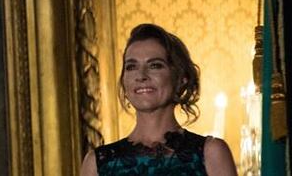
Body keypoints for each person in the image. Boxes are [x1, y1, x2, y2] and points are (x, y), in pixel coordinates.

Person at [81, 23, 237, 175]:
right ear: (124, 81)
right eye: (131, 66)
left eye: (155, 65)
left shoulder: (211, 154)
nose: (141, 76)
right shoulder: (96, 164)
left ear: (181, 78)